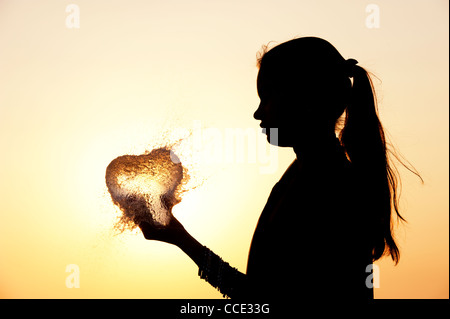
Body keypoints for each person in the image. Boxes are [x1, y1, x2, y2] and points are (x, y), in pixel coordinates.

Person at [139, 37, 420, 302]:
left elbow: (260, 299)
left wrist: (179, 238)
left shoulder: (324, 186)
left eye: (267, 97)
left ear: (304, 101)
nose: (258, 113)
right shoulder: (308, 172)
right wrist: (177, 236)